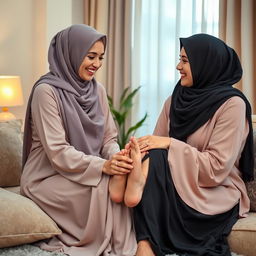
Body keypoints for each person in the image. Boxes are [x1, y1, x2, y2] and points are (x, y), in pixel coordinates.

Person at [111, 34, 254, 256]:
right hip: (177, 183)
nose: (178, 66)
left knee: (159, 154)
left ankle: (145, 245)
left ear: (205, 63)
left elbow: (216, 169)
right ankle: (145, 244)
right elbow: (155, 145)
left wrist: (170, 143)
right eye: (180, 59)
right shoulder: (176, 98)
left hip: (213, 191)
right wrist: (134, 152)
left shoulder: (232, 105)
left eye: (185, 61)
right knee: (152, 155)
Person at [20, 24, 137, 256]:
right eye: (91, 56)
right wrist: (103, 166)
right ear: (71, 52)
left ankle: (127, 245)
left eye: (101, 57)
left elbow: (108, 138)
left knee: (113, 184)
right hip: (47, 177)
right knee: (105, 188)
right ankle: (123, 248)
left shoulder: (98, 90)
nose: (97, 64)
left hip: (86, 169)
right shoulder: (46, 92)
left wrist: (117, 158)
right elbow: (57, 151)